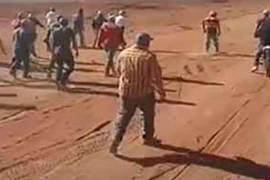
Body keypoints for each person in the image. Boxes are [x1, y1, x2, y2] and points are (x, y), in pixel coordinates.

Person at [109, 33, 166, 155]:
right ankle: (148, 137)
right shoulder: (149, 57)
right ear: (147, 43)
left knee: (124, 116)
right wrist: (161, 92)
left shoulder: (123, 53)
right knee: (148, 114)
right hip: (144, 92)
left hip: (126, 92)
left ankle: (115, 140)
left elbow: (118, 71)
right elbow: (156, 77)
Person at [51, 18, 78, 90]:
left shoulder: (55, 32)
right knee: (71, 67)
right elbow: (74, 41)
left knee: (59, 67)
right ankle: (62, 80)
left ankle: (58, 83)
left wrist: (53, 53)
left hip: (57, 51)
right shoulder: (69, 30)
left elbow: (53, 44)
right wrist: (76, 50)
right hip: (66, 51)